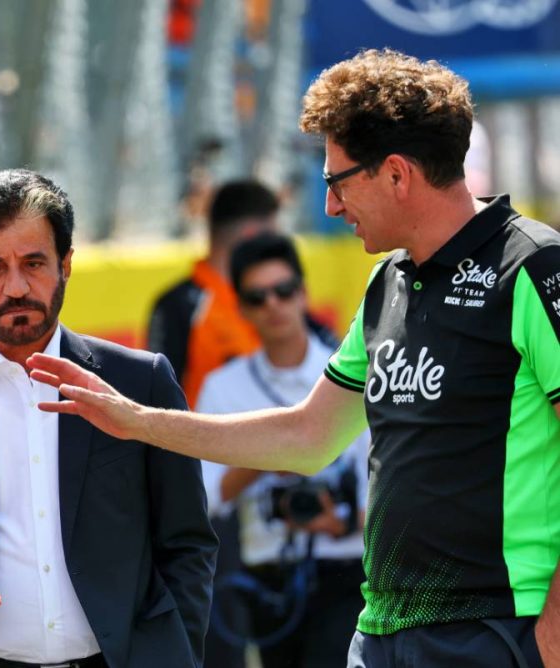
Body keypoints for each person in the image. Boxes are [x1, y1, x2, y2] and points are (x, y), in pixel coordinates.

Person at [28, 49, 560, 668]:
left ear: (396, 174)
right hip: (383, 631)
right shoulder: (388, 281)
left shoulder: (533, 266)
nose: (331, 206)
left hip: (497, 629)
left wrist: (553, 635)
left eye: (337, 181)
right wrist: (138, 422)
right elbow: (308, 436)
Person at [0, 169, 218, 668]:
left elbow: (186, 540)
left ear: (65, 264)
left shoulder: (139, 381)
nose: (17, 286)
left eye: (34, 262)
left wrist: (171, 657)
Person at [197, 232, 368, 668]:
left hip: (347, 568)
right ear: (241, 308)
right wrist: (271, 453)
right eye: (257, 297)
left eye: (284, 290)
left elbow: (384, 489)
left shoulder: (350, 377)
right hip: (266, 576)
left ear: (304, 293)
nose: (273, 305)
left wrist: (341, 521)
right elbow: (206, 495)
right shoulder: (224, 387)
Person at [146, 179, 276, 409]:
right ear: (251, 235)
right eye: (272, 239)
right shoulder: (179, 305)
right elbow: (157, 398)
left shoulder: (273, 296)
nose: (278, 251)